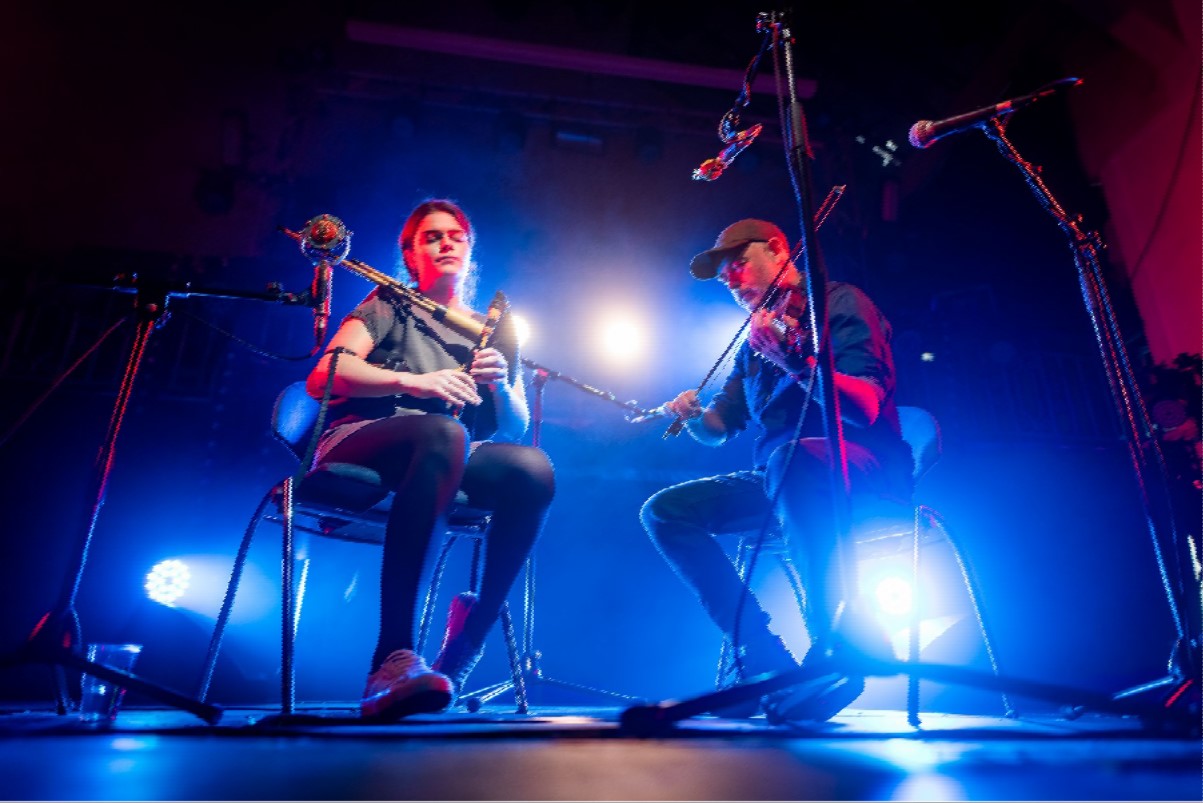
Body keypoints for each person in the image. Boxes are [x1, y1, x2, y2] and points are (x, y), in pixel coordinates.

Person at [640, 218, 912, 722]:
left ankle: (837, 647)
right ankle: (761, 658)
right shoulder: (755, 341)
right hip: (784, 477)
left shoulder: (839, 303)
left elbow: (865, 407)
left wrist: (798, 362)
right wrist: (693, 414)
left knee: (791, 461)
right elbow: (721, 426)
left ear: (779, 250)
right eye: (725, 276)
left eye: (739, 263)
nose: (731, 279)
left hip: (861, 465)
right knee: (664, 511)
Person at [306, 198, 555, 722]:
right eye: (431, 237)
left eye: (455, 237)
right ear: (411, 254)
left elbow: (511, 428)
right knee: (445, 433)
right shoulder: (391, 302)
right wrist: (412, 381)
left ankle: (465, 644)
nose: (446, 243)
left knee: (533, 470)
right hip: (363, 436)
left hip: (440, 454)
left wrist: (501, 385)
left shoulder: (490, 327)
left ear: (468, 252)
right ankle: (391, 658)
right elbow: (324, 373)